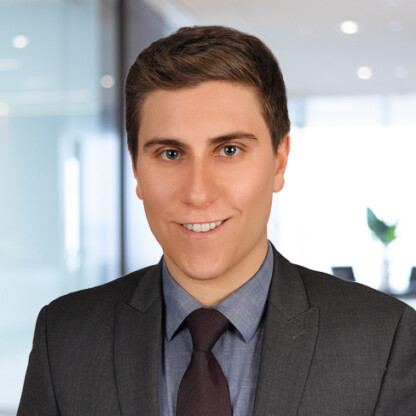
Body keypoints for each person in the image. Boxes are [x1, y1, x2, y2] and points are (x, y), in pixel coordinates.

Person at [18, 25, 416, 416]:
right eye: (170, 154)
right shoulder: (65, 335)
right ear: (136, 171)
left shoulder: (385, 339)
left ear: (279, 161)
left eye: (228, 150)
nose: (197, 192)